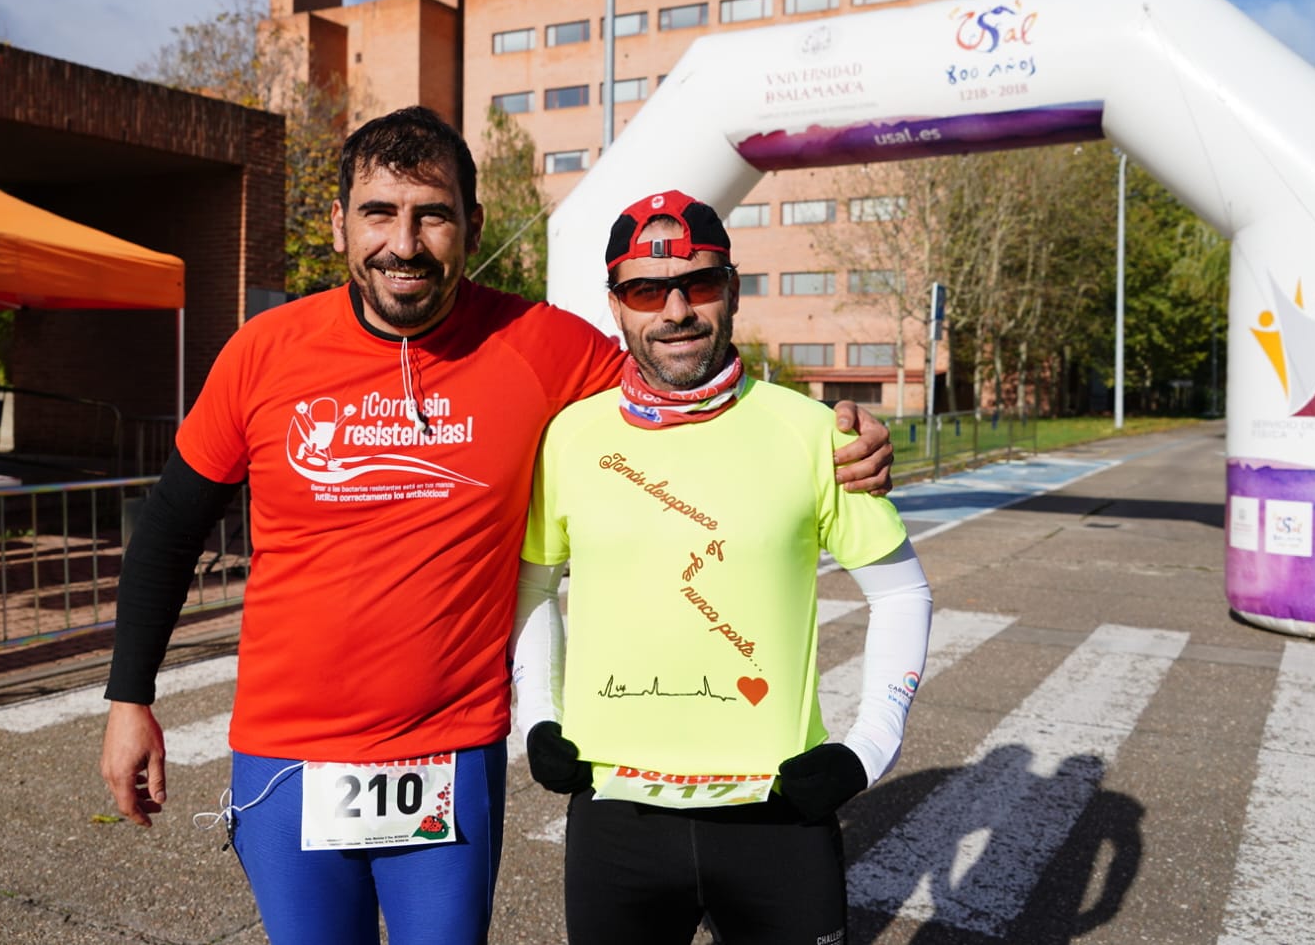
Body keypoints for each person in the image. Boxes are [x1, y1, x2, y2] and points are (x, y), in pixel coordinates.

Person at [99, 108, 895, 945]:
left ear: (471, 224)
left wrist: (830, 432)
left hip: (449, 752)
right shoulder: (264, 352)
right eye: (378, 212)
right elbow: (168, 529)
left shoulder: (540, 346)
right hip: (288, 753)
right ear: (339, 224)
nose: (403, 242)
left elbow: (684, 379)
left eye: (431, 213)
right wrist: (129, 699)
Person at [513, 189, 933, 945]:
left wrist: (867, 748)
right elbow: (535, 585)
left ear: (732, 290)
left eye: (699, 284)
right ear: (617, 306)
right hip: (617, 817)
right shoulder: (568, 438)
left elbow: (902, 592)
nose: (675, 309)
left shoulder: (818, 432)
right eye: (646, 290)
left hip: (778, 814)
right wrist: (539, 719)